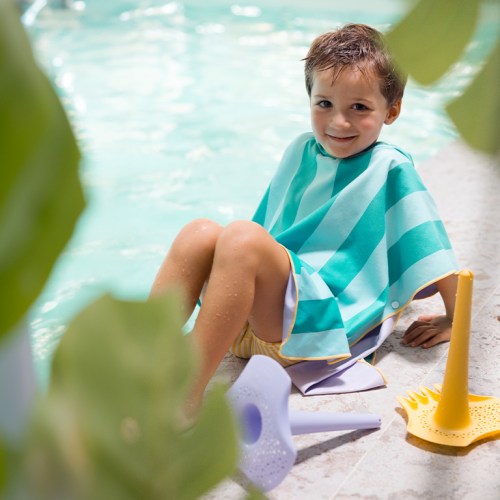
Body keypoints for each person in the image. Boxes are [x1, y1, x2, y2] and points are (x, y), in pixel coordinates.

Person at [150, 23, 458, 416]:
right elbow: (274, 232)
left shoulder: (390, 167)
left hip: (315, 329)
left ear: (391, 111)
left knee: (242, 236)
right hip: (249, 323)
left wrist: (454, 318)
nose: (338, 122)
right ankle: (136, 370)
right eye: (324, 103)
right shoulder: (301, 150)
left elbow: (432, 246)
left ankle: (182, 401)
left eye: (359, 108)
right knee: (199, 232)